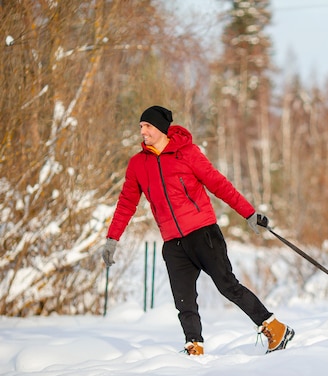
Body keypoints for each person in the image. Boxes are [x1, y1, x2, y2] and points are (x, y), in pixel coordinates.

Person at [102, 105, 294, 355]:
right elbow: (127, 203)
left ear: (161, 128)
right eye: (141, 127)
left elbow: (218, 184)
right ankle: (194, 346)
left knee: (228, 286)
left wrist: (248, 213)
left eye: (147, 126)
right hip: (173, 243)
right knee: (184, 301)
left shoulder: (187, 153)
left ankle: (274, 327)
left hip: (203, 233)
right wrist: (112, 239)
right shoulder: (138, 164)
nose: (143, 131)